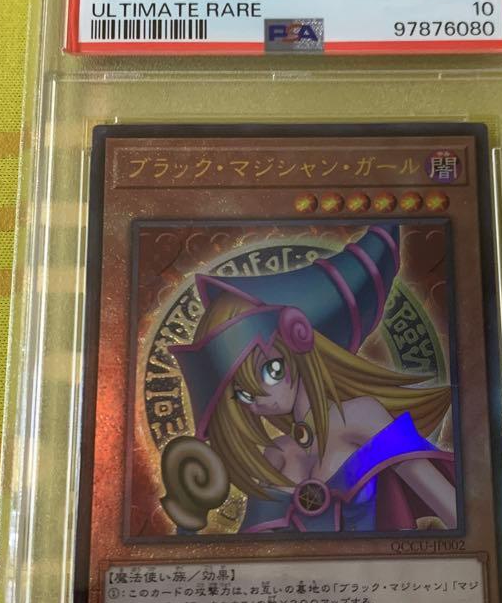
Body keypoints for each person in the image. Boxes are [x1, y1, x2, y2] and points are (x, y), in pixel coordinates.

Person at [166, 225, 457, 534]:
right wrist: (187, 520)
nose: (259, 400)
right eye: (244, 394)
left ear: (299, 344)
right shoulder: (275, 455)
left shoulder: (363, 417)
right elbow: (255, 553)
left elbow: (450, 507)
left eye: (270, 371)